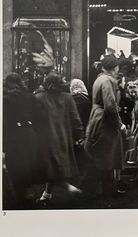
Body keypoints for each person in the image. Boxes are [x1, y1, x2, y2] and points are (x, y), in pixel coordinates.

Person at [35, 72, 84, 205]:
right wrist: (80, 135)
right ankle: (46, 195)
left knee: (50, 169)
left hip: (45, 139)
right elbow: (75, 118)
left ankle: (70, 189)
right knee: (54, 169)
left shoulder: (39, 98)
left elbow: (35, 120)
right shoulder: (68, 98)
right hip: (63, 138)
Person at [3, 73, 46, 209]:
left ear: (7, 84)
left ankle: (20, 195)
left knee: (14, 164)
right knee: (28, 162)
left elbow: (4, 122)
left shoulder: (5, 99)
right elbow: (41, 117)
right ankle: (28, 192)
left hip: (13, 135)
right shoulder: (30, 97)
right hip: (29, 133)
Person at [85, 55, 126, 197]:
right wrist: (119, 125)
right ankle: (107, 190)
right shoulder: (108, 80)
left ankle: (99, 188)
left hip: (96, 116)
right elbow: (110, 106)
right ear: (115, 68)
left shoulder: (99, 79)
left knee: (99, 153)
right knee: (107, 154)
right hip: (105, 120)